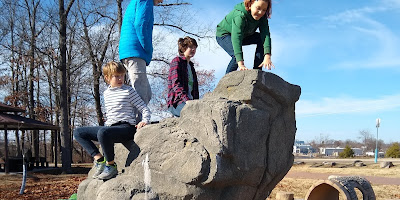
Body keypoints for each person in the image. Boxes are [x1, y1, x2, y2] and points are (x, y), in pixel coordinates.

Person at [73, 61, 151, 180]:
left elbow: (144, 108)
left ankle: (111, 165)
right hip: (110, 128)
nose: (120, 79)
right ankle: (99, 160)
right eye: (116, 76)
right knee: (78, 132)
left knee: (103, 132)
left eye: (122, 75)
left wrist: (144, 120)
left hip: (126, 128)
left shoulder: (128, 91)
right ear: (107, 78)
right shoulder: (106, 93)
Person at [119, 0, 163, 121]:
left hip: (131, 51)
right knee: (140, 91)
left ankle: (134, 120)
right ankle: (136, 124)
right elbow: (140, 24)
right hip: (135, 50)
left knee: (146, 92)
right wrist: (147, 48)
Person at [216, 0, 275, 74]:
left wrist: (267, 56)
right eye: (258, 8)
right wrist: (241, 64)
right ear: (249, 5)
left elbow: (265, 35)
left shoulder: (262, 17)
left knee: (260, 39)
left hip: (244, 35)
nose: (260, 12)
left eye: (264, 10)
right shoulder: (240, 15)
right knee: (235, 58)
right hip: (225, 35)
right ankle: (226, 82)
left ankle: (257, 71)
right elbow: (236, 37)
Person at [167, 36, 199, 117]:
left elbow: (195, 89)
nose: (193, 49)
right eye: (191, 47)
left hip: (191, 102)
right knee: (191, 115)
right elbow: (175, 84)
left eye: (195, 47)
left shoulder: (191, 66)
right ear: (184, 48)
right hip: (177, 102)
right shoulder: (177, 61)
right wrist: (186, 100)